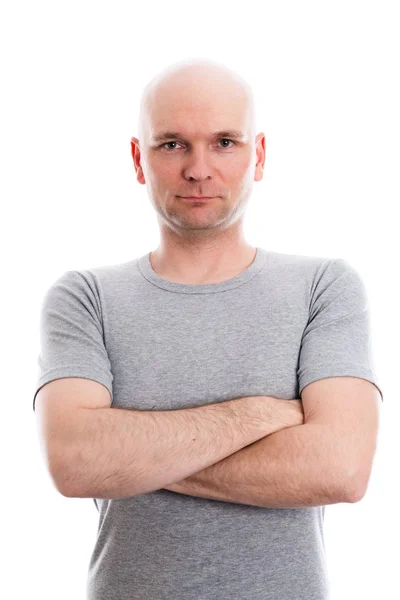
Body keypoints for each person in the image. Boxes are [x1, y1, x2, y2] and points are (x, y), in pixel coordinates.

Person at [33, 58, 383, 600]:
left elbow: (340, 469)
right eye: (172, 144)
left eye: (224, 142)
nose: (199, 169)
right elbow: (76, 464)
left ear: (258, 156)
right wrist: (262, 416)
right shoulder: (85, 297)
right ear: (137, 158)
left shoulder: (323, 287)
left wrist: (132, 455)